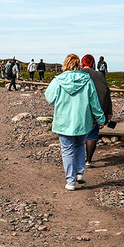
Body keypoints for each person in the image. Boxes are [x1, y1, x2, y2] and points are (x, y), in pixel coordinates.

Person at [44, 54, 104, 190]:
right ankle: (79, 172)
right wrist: (100, 118)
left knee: (67, 150)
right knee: (79, 146)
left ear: (65, 64)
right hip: (82, 121)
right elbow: (94, 102)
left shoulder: (58, 80)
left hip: (63, 121)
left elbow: (50, 98)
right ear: (78, 64)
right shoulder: (87, 80)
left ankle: (70, 181)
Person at [80, 54, 116, 166]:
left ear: (82, 63)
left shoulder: (77, 74)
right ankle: (88, 160)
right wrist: (108, 111)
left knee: (77, 136)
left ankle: (77, 160)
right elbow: (105, 93)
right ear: (93, 63)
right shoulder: (99, 76)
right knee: (91, 135)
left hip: (78, 109)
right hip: (95, 110)